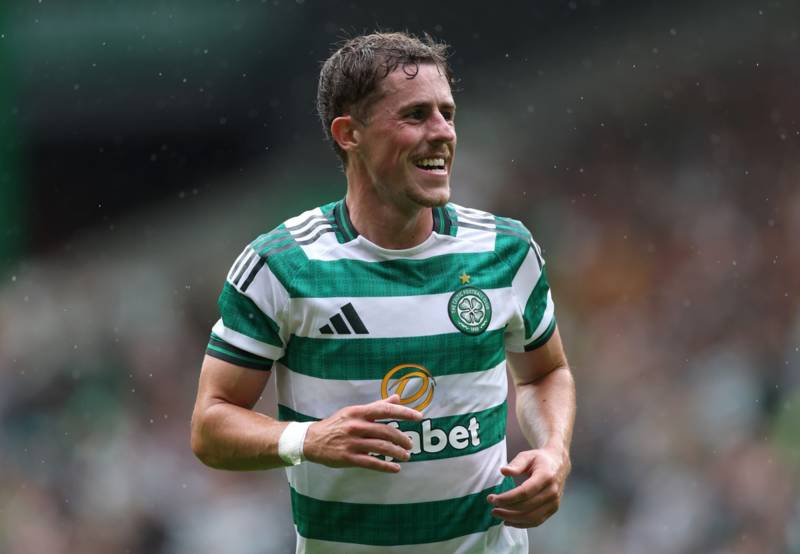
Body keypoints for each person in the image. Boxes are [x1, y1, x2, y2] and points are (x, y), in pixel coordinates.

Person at [191, 31, 575, 553]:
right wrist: (309, 439)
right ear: (350, 133)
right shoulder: (282, 265)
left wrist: (553, 452)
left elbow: (545, 373)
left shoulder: (505, 250)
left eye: (447, 114)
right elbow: (210, 427)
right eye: (416, 115)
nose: (443, 132)